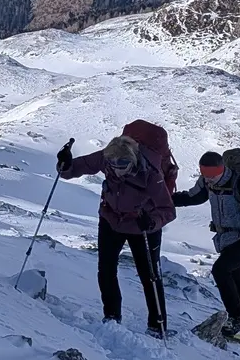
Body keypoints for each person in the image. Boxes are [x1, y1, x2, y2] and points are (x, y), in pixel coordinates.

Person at [57, 133, 177, 337]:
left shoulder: (151, 173)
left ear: (133, 159)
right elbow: (74, 169)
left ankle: (158, 325)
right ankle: (111, 317)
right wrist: (65, 163)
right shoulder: (107, 157)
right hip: (111, 219)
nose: (117, 170)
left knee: (149, 276)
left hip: (142, 226)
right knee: (106, 270)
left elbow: (168, 209)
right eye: (113, 165)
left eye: (123, 165)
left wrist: (152, 221)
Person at [172, 151, 240, 338]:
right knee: (238, 280)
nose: (209, 181)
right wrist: (167, 201)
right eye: (205, 176)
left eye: (212, 176)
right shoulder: (206, 182)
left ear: (222, 170)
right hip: (226, 239)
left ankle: (236, 318)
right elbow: (193, 197)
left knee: (221, 270)